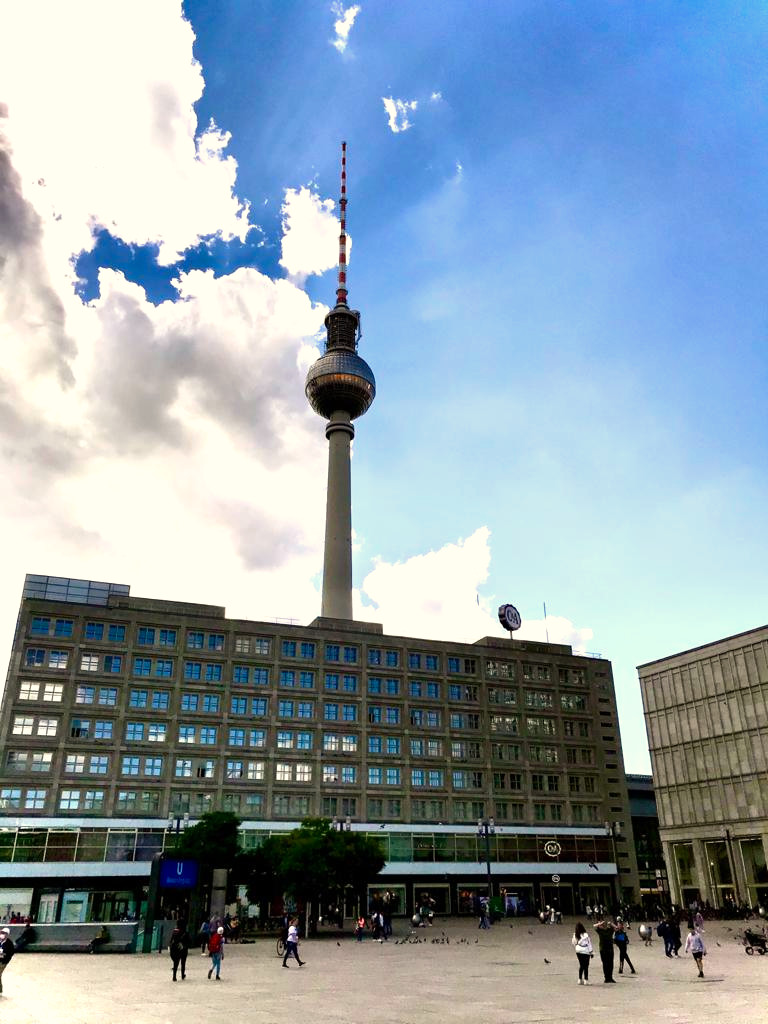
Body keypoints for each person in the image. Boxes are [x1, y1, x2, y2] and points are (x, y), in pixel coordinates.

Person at [594, 915, 616, 983]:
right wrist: (600, 923)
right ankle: (606, 978)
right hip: (603, 949)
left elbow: (617, 928)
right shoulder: (600, 931)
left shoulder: (610, 930)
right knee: (605, 964)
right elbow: (594, 926)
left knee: (611, 964)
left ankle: (610, 977)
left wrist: (611, 923)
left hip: (610, 949)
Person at [0, 928, 15, 995]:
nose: (2, 934)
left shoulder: (9, 944)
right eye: (1, 932)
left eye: (4, 933)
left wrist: (3, 955)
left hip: (3, 962)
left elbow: (10, 954)